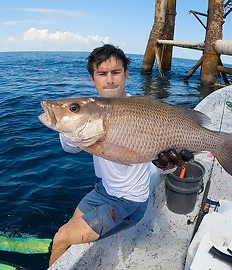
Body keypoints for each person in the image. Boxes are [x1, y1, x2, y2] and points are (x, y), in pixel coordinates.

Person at [49, 44, 192, 266]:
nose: (110, 80)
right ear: (92, 78)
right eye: (102, 74)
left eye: (116, 72)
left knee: (61, 237)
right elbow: (70, 147)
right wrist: (69, 122)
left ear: (126, 74)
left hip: (129, 202)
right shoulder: (94, 110)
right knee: (71, 223)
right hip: (103, 190)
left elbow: (159, 162)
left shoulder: (141, 109)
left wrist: (169, 165)